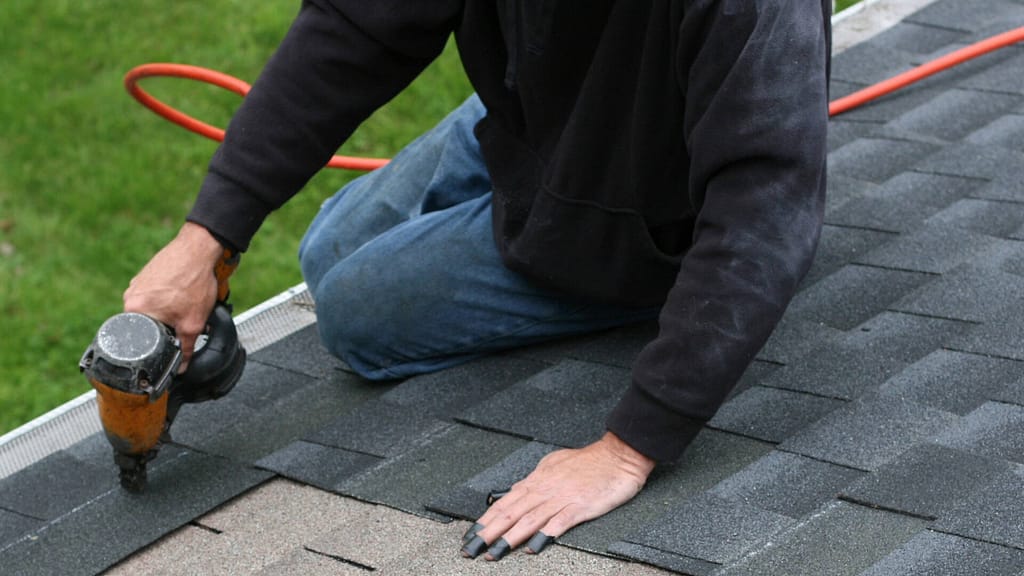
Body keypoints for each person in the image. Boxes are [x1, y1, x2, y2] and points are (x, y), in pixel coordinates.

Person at [124, 0, 832, 562]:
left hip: (651, 208)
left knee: (351, 315)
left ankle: (648, 288)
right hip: (540, 123)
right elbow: (354, 27)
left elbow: (765, 204)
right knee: (329, 246)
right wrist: (206, 238)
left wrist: (628, 448)